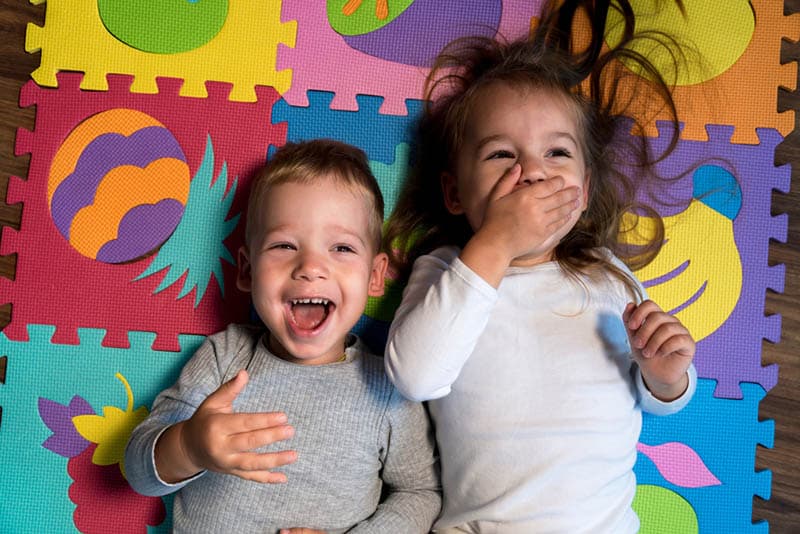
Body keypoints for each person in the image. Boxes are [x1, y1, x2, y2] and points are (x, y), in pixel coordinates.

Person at [382, 1, 696, 532]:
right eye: (502, 155)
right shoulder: (446, 272)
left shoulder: (605, 277)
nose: (531, 172)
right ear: (455, 193)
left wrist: (666, 377)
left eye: (556, 154)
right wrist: (496, 244)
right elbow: (413, 377)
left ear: (585, 190)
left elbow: (656, 403)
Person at [125, 139, 441, 533]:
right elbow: (138, 468)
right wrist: (190, 446)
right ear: (247, 270)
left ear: (375, 276)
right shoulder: (225, 358)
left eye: (341, 247)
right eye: (284, 245)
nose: (310, 267)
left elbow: (421, 492)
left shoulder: (387, 389)